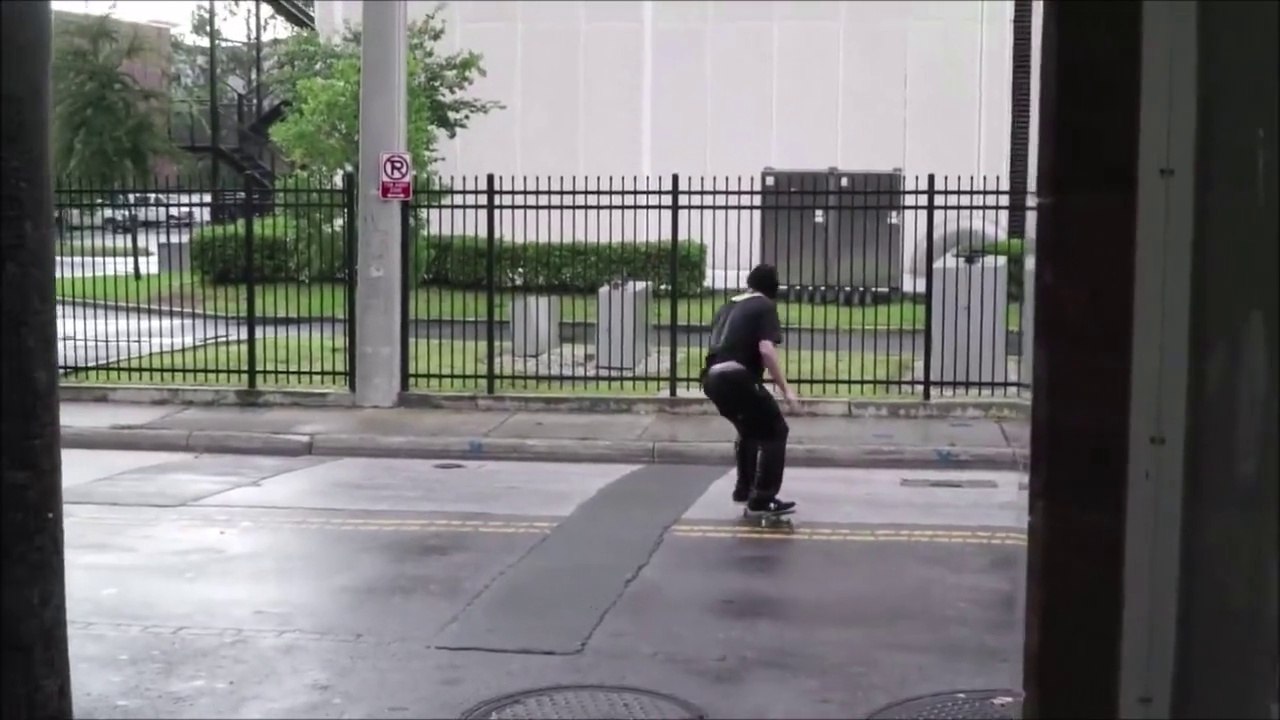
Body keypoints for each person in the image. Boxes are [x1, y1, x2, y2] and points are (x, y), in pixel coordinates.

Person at [701, 264, 799, 517]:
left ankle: (744, 490)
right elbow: (766, 350)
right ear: (772, 288)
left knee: (749, 430)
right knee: (776, 430)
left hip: (712, 379)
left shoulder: (729, 304)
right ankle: (763, 498)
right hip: (737, 377)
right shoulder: (765, 305)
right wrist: (786, 390)